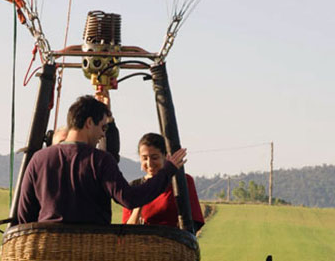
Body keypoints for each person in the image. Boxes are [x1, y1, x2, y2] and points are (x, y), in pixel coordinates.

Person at [16, 95, 186, 225]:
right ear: (89, 123)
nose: (103, 134)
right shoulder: (99, 160)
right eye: (103, 127)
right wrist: (167, 171)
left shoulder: (39, 159)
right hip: (92, 252)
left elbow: (24, 214)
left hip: (48, 254)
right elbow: (130, 198)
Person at [122, 132, 204, 232]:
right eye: (144, 158)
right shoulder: (133, 187)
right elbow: (127, 230)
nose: (149, 163)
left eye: (154, 158)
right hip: (143, 244)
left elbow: (193, 223)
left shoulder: (183, 181)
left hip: (173, 243)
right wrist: (139, 202)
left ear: (165, 156)